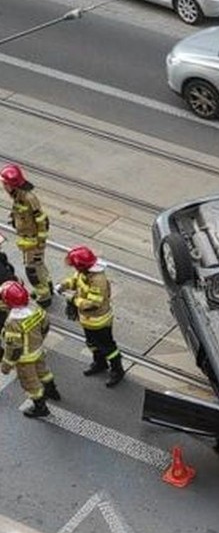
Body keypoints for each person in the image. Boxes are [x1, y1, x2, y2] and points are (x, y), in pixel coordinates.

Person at [57, 245, 125, 388]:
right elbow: (75, 281)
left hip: (99, 321)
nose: (75, 269)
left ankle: (117, 370)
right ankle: (100, 363)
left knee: (108, 347)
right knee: (92, 343)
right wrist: (62, 286)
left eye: (76, 266)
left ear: (82, 266)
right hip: (87, 320)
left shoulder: (97, 280)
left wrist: (74, 300)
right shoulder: (84, 272)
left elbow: (93, 304)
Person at [0, 281, 60, 418]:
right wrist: (39, 340)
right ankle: (52, 391)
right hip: (37, 349)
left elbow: (14, 348)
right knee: (43, 371)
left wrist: (6, 365)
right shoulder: (35, 308)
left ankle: (41, 408)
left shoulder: (13, 323)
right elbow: (45, 325)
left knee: (30, 382)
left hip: (24, 358)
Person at [0, 164, 53, 308]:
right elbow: (22, 214)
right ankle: (47, 287)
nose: (3, 186)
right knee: (38, 265)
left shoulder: (28, 197)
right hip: (26, 239)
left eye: (4, 184)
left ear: (11, 185)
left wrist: (40, 242)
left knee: (32, 270)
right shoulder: (18, 196)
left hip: (33, 240)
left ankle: (44, 297)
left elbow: (42, 220)